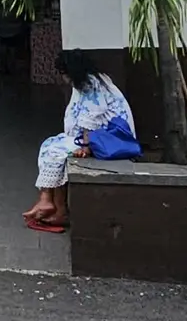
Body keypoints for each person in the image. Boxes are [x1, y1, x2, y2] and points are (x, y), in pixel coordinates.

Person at [26, 51, 135, 232]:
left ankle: (51, 204)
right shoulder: (91, 82)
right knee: (49, 144)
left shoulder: (92, 85)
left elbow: (89, 118)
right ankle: (50, 202)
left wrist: (85, 146)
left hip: (106, 139)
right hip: (97, 137)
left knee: (56, 151)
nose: (63, 77)